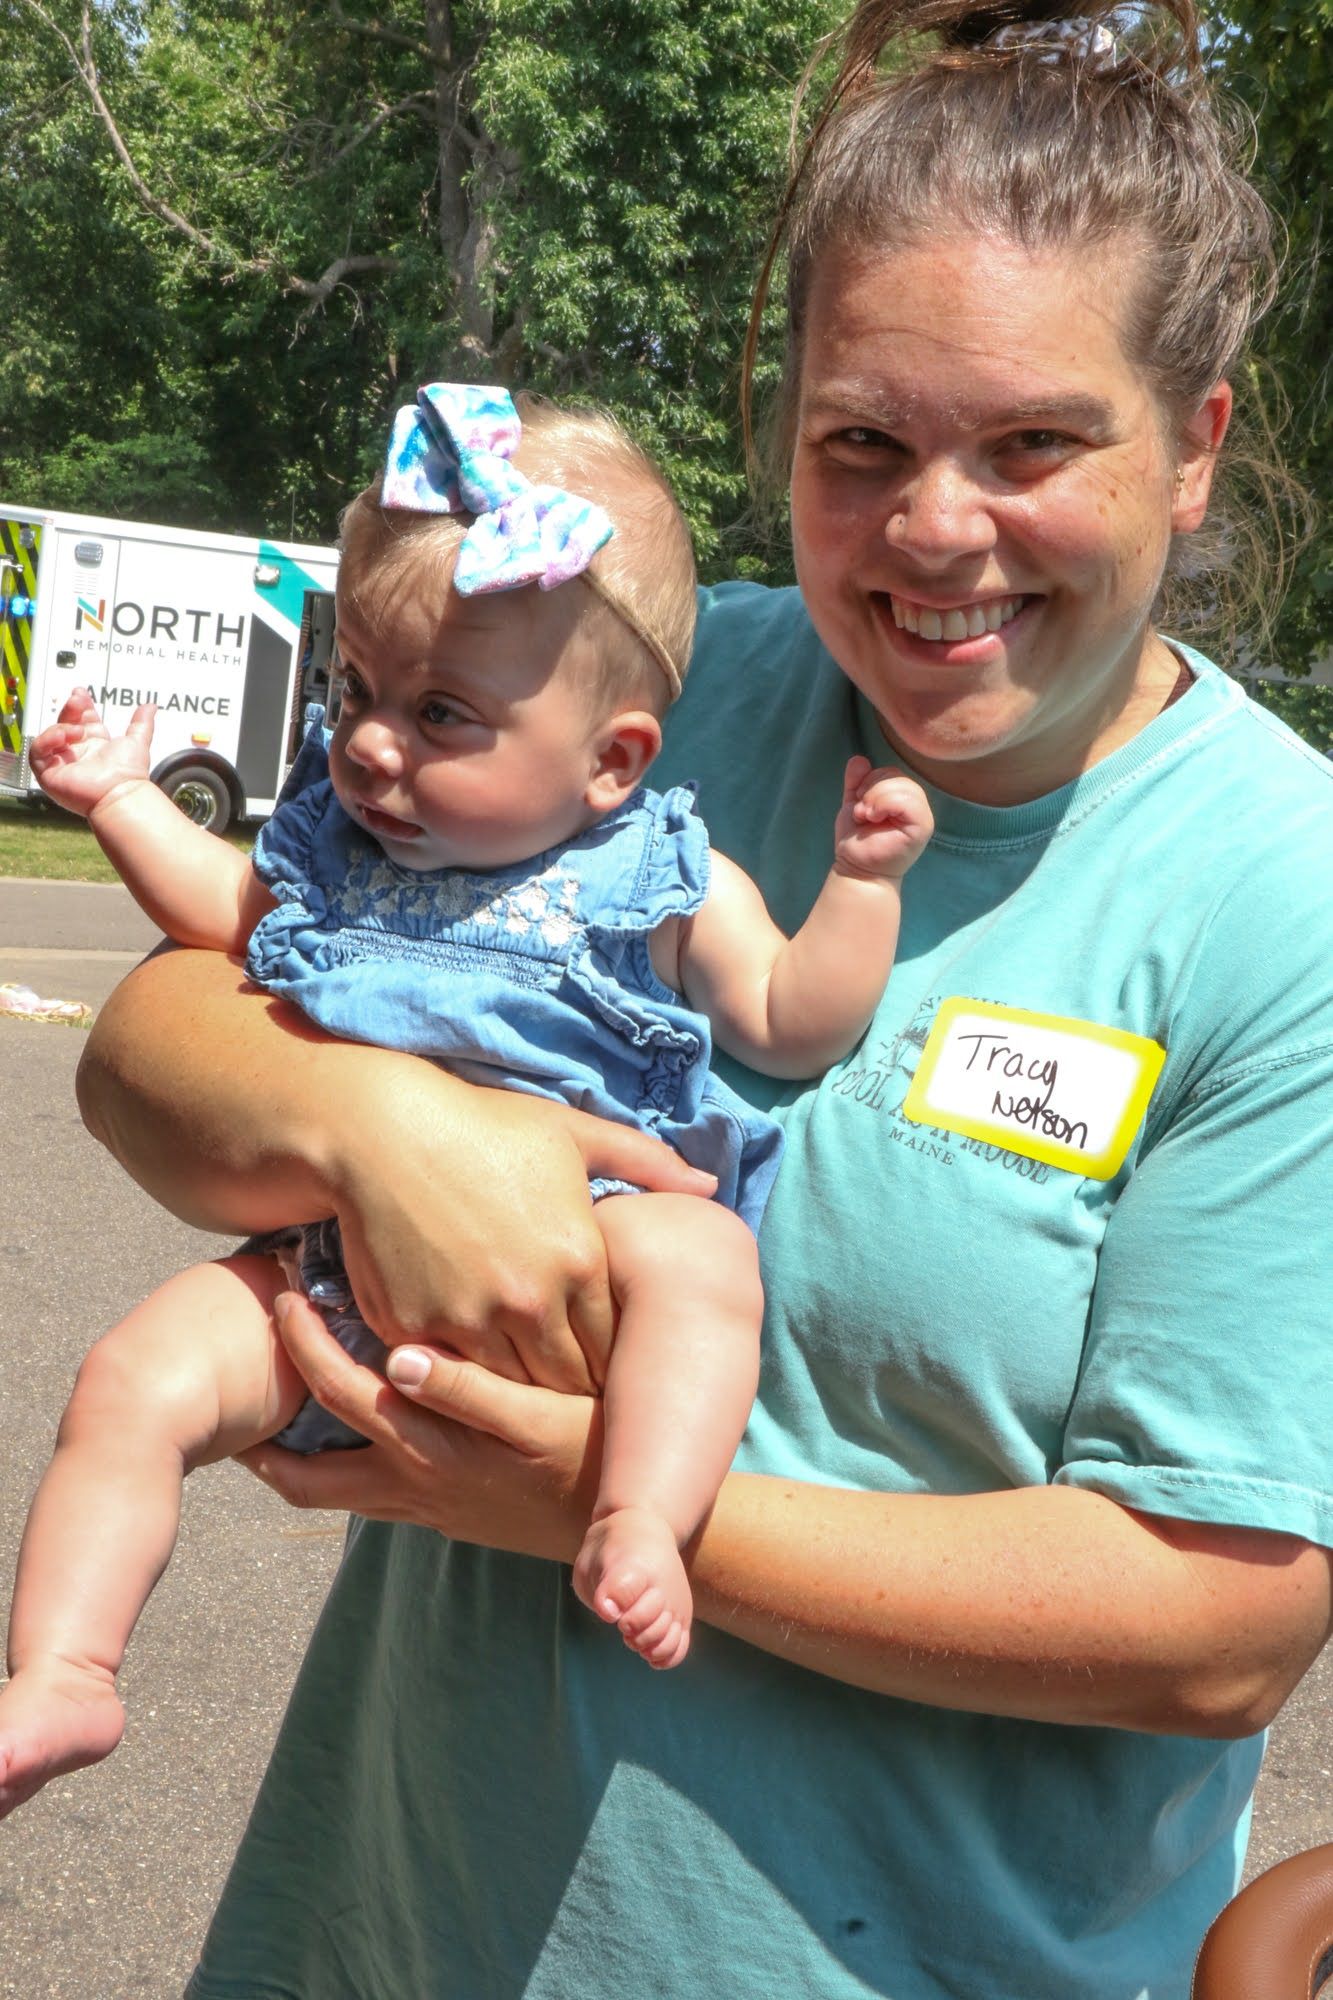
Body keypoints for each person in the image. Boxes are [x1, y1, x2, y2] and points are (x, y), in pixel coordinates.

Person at [62, 1, 1333, 1994]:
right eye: (861, 443)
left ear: (1193, 448)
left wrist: (610, 1506)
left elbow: (1213, 1622)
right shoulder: (641, 680)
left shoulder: (1282, 898)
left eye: (1031, 443)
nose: (934, 526)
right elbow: (161, 1037)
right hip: (385, 1926)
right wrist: (386, 1132)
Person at [0, 385, 931, 1814]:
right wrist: (122, 801)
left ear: (614, 759)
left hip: (593, 1222)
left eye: (441, 713)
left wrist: (861, 888)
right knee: (131, 1378)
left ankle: (638, 1511)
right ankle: (65, 1668)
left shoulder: (661, 874)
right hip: (323, 1262)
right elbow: (222, 919)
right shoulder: (338, 848)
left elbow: (790, 1019)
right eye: (356, 690)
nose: (372, 745)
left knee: (702, 1260)